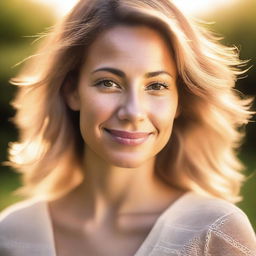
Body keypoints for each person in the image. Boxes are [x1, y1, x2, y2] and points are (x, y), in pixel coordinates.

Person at [0, 0, 255, 255]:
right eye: (108, 83)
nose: (133, 112)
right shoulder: (11, 234)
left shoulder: (216, 231)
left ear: (180, 101)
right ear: (71, 91)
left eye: (157, 86)